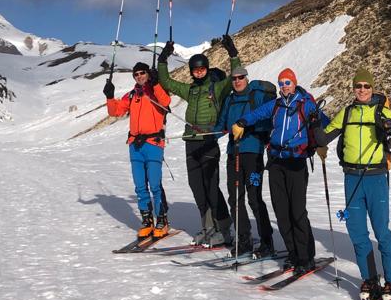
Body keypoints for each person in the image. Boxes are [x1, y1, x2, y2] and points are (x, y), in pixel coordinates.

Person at [315, 67, 391, 300]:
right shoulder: (346, 113)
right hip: (352, 179)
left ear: (372, 88)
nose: (362, 90)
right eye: (358, 86)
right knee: (357, 232)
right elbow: (323, 138)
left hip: (376, 179)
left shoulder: (383, 112)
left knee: (382, 232)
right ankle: (370, 279)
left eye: (366, 86)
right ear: (353, 88)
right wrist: (314, 122)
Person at [232, 68, 328, 273]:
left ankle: (306, 257)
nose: (284, 86)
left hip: (296, 162)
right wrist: (242, 122)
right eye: (281, 83)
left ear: (294, 83)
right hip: (276, 161)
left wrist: (320, 139)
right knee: (282, 212)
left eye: (287, 82)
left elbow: (326, 123)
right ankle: (293, 254)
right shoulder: (276, 105)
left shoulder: (306, 103)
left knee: (297, 212)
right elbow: (257, 114)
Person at [157, 35, 241, 246]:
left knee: (211, 186)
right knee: (197, 187)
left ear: (207, 69)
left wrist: (232, 53)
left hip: (208, 141)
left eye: (202, 69)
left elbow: (234, 76)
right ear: (192, 72)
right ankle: (207, 227)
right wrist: (163, 59)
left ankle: (224, 229)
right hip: (191, 142)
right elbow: (166, 82)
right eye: (195, 70)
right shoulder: (190, 90)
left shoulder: (217, 88)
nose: (199, 72)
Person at [214, 65, 277, 257]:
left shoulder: (256, 96)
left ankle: (267, 241)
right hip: (234, 153)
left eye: (241, 77)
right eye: (234, 78)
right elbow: (222, 124)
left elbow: (267, 119)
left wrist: (248, 127)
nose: (237, 81)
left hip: (253, 153)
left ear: (246, 78)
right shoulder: (230, 100)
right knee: (235, 198)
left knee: (254, 197)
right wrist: (207, 135)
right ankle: (244, 239)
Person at [104, 62, 172, 237]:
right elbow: (115, 111)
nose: (140, 76)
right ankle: (147, 220)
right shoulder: (132, 95)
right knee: (140, 185)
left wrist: (155, 84)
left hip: (154, 143)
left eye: (142, 73)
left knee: (155, 184)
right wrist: (110, 97)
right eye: (136, 74)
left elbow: (166, 102)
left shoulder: (154, 91)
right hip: (135, 145)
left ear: (148, 74)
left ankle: (162, 220)